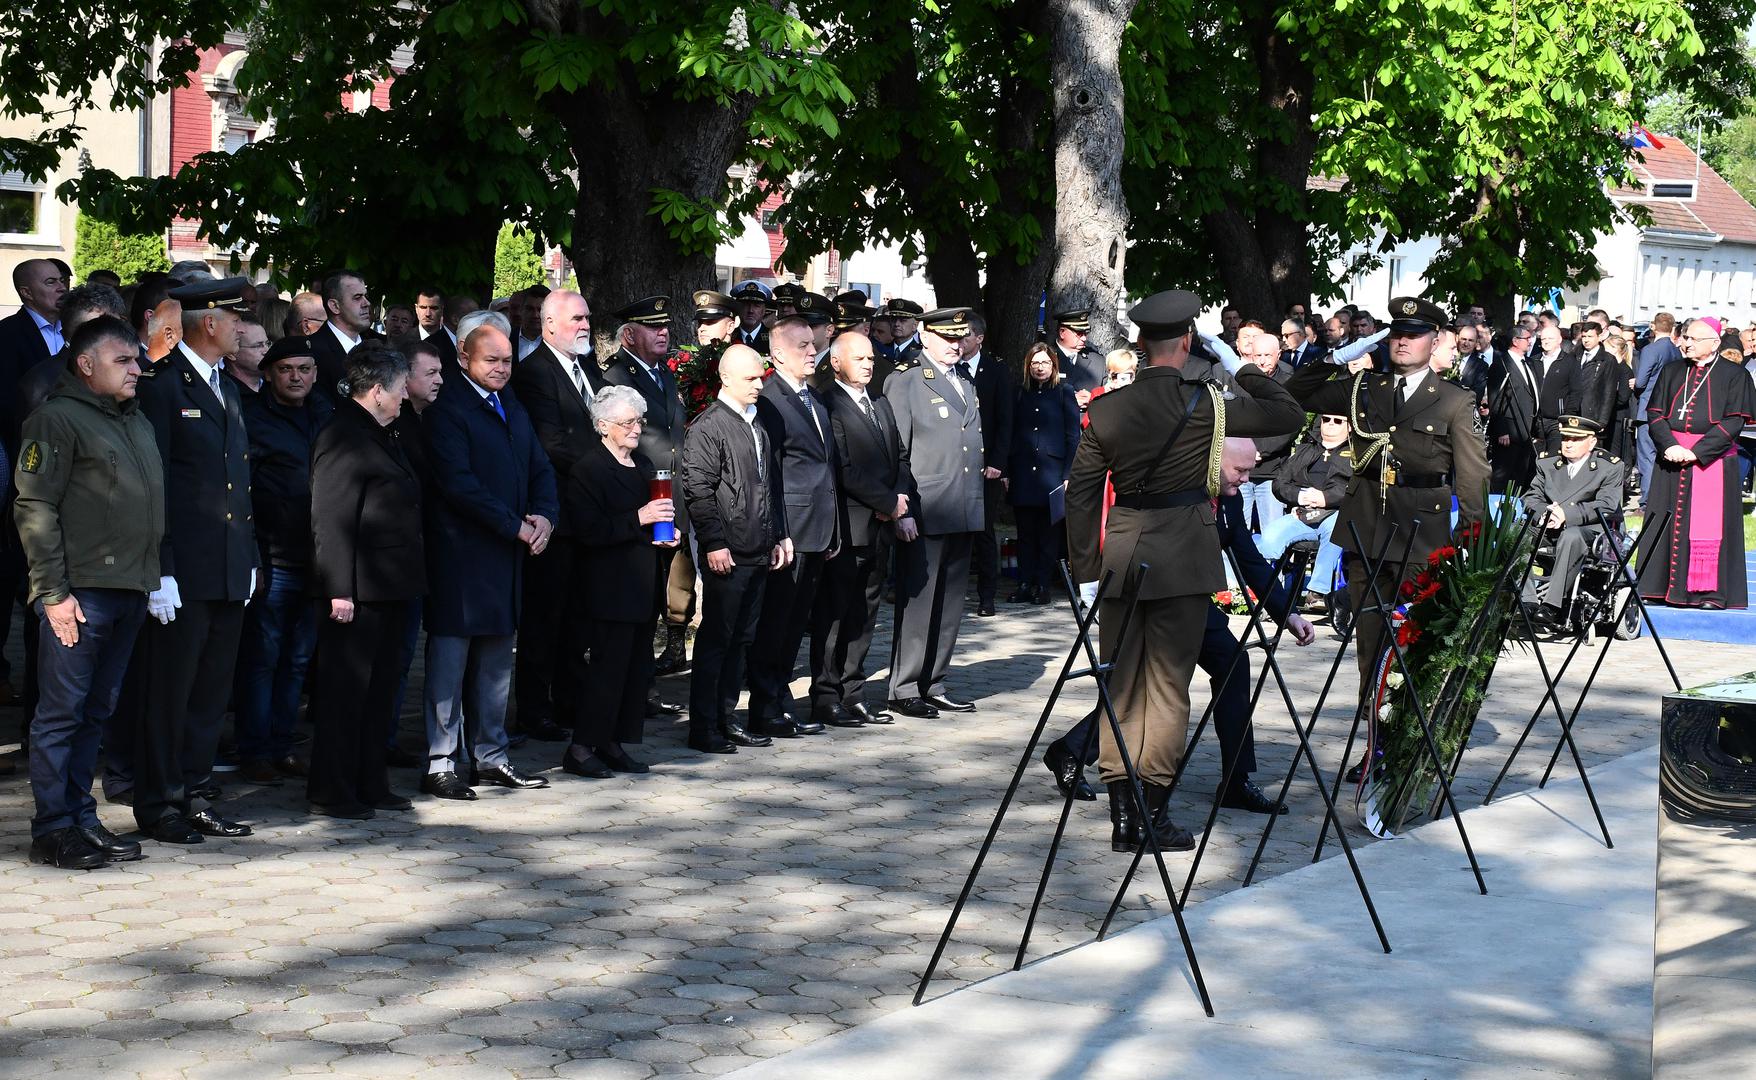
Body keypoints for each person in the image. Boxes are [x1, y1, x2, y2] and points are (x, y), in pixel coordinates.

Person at [1066, 290, 1305, 852]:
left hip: (1123, 555)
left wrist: (1085, 571)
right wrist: (1243, 364)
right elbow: (1288, 413)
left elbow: (1081, 496)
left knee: (1122, 685)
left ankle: (1124, 815)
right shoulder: (1210, 403)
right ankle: (1152, 812)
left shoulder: (1105, 408)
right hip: (1183, 558)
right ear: (1188, 342)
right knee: (1168, 691)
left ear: (1142, 345)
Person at [1048, 439, 1314, 814]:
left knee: (1233, 664)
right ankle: (1073, 751)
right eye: (1240, 470)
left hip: (1192, 603)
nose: (1247, 478)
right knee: (1140, 690)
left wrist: (1287, 614)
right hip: (1151, 599)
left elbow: (1249, 558)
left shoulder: (1230, 499)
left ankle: (1236, 781)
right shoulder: (1177, 493)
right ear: (1214, 462)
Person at [1285, 295, 1490, 706]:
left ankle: (1405, 734)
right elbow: (1296, 392)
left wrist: (1471, 539)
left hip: (1421, 538)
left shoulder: (1454, 400)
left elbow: (1473, 475)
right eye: (1398, 333)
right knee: (1371, 644)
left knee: (1414, 642)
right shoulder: (1364, 387)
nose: (1403, 342)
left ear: (1434, 342)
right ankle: (1373, 738)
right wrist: (1339, 356)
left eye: (1414, 336)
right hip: (1366, 530)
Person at [14, 316, 161, 868]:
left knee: (96, 712)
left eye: (137, 359)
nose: (137, 369)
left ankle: (79, 815)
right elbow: (34, 506)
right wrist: (52, 592)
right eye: (123, 360)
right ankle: (52, 827)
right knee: (61, 714)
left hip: (128, 587)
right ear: (85, 364)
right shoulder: (55, 419)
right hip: (80, 593)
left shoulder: (135, 420)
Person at [132, 276, 259, 844]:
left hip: (226, 566)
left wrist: (248, 556)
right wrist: (159, 567)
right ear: (209, 323)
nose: (242, 330)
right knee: (170, 692)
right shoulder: (163, 388)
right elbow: (152, 485)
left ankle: (195, 791)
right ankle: (160, 803)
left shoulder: (224, 386)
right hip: (183, 570)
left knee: (210, 692)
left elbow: (236, 482)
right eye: (235, 320)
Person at [420, 324, 558, 799]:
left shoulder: (510, 402)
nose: (501, 369)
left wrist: (543, 516)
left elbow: (539, 465)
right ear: (463, 356)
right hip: (461, 558)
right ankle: (441, 760)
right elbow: (458, 485)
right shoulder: (447, 410)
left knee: (498, 661)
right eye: (491, 361)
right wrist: (515, 526)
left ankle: (490, 756)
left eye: (506, 361)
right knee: (450, 663)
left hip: (506, 558)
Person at [307, 342, 424, 819]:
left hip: (392, 585)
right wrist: (338, 588)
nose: (403, 398)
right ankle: (333, 790)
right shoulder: (343, 436)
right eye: (398, 390)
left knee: (380, 692)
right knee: (346, 693)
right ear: (377, 391)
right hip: (358, 589)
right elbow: (330, 518)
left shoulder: (384, 431)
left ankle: (370, 781)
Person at [560, 385, 679, 777]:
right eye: (627, 422)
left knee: (634, 672)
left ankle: (613, 742)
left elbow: (652, 518)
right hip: (606, 586)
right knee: (606, 673)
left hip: (642, 583)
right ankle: (580, 748)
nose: (635, 428)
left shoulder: (644, 465)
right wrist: (639, 519)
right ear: (603, 426)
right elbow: (588, 531)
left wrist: (667, 533)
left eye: (639, 420)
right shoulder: (589, 469)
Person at [681, 345, 790, 754]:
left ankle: (726, 718)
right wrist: (714, 543)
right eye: (749, 378)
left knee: (742, 639)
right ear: (726, 379)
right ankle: (704, 726)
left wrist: (779, 534)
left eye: (760, 377)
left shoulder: (756, 423)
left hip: (758, 546)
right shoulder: (709, 427)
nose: (758, 385)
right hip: (729, 550)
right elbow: (699, 491)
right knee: (717, 640)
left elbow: (768, 485)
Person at [236, 335, 333, 785]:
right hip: (274, 558)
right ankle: (254, 750)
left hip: (320, 559)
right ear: (269, 374)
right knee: (263, 659)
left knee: (298, 660)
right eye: (286, 369)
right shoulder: (252, 418)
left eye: (304, 369)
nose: (296, 377)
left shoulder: (326, 413)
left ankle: (282, 744)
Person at [510, 289, 604, 745]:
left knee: (578, 616)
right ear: (548, 325)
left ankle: (569, 699)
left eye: (587, 317)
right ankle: (533, 708)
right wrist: (608, 466)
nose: (585, 325)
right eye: (576, 319)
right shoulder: (534, 374)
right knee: (545, 617)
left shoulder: (588, 366)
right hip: (555, 513)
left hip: (588, 515)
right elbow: (551, 445)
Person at [884, 308, 987, 717]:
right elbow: (898, 452)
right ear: (925, 337)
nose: (955, 345)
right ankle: (904, 684)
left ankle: (934, 680)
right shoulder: (907, 381)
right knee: (919, 601)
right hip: (925, 507)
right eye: (947, 338)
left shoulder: (965, 382)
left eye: (960, 338)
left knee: (950, 604)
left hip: (962, 506)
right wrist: (901, 507)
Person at [748, 315, 840, 735]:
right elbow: (771, 472)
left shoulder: (814, 397)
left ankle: (781, 702)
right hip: (790, 529)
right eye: (801, 345)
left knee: (794, 623)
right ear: (778, 353)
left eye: (812, 343)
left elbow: (824, 467)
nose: (811, 351)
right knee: (776, 623)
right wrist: (777, 531)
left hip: (818, 526)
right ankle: (766, 707)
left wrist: (834, 527)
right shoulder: (770, 400)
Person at [808, 332, 903, 728]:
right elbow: (842, 466)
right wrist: (885, 502)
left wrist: (899, 498)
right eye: (859, 358)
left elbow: (899, 457)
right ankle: (825, 695)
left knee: (865, 614)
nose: (868, 363)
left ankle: (853, 691)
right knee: (834, 614)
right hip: (848, 527)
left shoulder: (880, 403)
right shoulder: (828, 404)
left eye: (870, 358)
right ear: (836, 363)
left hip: (881, 527)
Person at [603, 296, 689, 715]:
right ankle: (634, 689)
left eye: (665, 326)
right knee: (638, 600)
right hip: (640, 501)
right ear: (629, 335)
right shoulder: (619, 375)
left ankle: (643, 686)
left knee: (656, 597)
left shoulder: (662, 374)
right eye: (652, 327)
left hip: (668, 500)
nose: (663, 333)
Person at [1639, 317, 1755, 609]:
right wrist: (1670, 445)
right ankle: (1655, 587)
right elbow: (1655, 413)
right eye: (1685, 338)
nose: (1685, 343)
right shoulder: (1672, 371)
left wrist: (1697, 452)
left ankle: (1707, 593)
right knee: (1663, 521)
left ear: (1713, 343)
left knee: (1708, 525)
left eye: (1692, 339)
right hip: (1672, 458)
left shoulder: (1735, 375)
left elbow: (1734, 421)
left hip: (1710, 461)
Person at [1520, 416, 1626, 630]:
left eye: (1576, 439)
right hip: (1550, 525)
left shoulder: (1609, 467)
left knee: (1572, 535)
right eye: (1566, 438)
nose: (1568, 443)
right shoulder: (1547, 462)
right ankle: (1528, 601)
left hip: (1590, 529)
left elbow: (1606, 505)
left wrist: (1566, 515)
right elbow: (1531, 497)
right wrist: (1545, 513)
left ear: (1592, 442)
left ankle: (1551, 605)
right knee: (1516, 532)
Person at [1007, 342, 1080, 604]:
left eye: (1045, 363)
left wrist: (1068, 473)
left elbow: (1073, 437)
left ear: (1053, 366)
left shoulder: (1064, 392)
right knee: (1025, 533)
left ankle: (1043, 585)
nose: (1040, 368)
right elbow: (1010, 433)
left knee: (1049, 535)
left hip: (1052, 474)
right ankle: (1024, 582)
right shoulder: (1019, 393)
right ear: (1028, 366)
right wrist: (1006, 470)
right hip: (1024, 472)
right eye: (1035, 363)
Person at [1258, 412, 1354, 605]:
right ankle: (1269, 593)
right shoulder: (1305, 450)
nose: (1330, 424)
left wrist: (1325, 498)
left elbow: (1357, 489)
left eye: (1338, 421)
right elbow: (1279, 483)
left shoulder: (1356, 453)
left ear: (1350, 427)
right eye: (1326, 420)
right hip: (1301, 514)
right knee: (1269, 539)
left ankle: (1317, 590)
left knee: (1336, 529)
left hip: (1335, 514)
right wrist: (1300, 496)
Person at [962, 313, 1014, 618]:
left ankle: (986, 596)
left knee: (983, 531)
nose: (959, 341)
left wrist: (998, 463)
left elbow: (1006, 421)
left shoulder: (995, 370)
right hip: (959, 464)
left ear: (979, 338)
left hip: (986, 465)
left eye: (965, 335)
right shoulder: (951, 369)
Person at [1235, 329, 1295, 533]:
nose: (1261, 361)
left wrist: (1259, 450)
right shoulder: (1240, 379)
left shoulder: (1288, 380)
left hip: (1271, 471)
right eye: (1257, 356)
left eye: (1267, 356)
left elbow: (1289, 424)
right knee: (1237, 531)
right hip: (1239, 468)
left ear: (1279, 354)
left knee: (1271, 534)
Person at [1538, 320, 1629, 452]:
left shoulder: (1607, 360)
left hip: (1593, 412)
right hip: (1574, 411)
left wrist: (1602, 420)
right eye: (1584, 336)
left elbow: (1609, 392)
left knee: (1591, 451)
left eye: (1590, 336)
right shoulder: (1574, 355)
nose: (1586, 340)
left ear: (1600, 336)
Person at [1485, 324, 1545, 492]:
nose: (1530, 341)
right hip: (1509, 431)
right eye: (1527, 338)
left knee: (1521, 475)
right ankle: (1495, 510)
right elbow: (1496, 398)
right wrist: (1502, 429)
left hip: (1526, 429)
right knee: (1502, 475)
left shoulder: (1528, 363)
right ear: (1515, 341)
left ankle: (1515, 511)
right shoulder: (1501, 364)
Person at [309, 271, 379, 401]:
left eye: (365, 296)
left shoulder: (379, 346)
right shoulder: (312, 353)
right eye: (357, 297)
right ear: (335, 306)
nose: (367, 303)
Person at [1634, 312, 1681, 503]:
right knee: (1663, 454)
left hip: (1648, 408)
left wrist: (1635, 383)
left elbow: (1641, 381)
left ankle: (1646, 499)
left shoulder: (1651, 350)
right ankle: (1661, 496)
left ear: (1653, 326)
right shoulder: (1676, 351)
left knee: (1647, 455)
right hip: (1669, 408)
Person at [1051, 307, 1106, 404]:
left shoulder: (1098, 361)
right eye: (1079, 333)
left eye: (1085, 333)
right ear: (1062, 333)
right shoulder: (1046, 357)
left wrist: (1093, 399)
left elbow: (1109, 396)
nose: (1084, 338)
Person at [729, 281, 772, 354]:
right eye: (745, 304)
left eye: (756, 305)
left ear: (764, 310)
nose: (750, 310)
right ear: (738, 308)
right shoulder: (729, 337)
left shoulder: (773, 338)